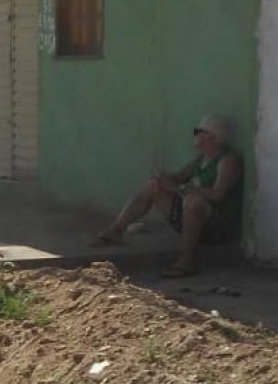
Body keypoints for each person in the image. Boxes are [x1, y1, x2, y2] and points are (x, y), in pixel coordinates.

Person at [92, 114, 243, 278]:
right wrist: (163, 179)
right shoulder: (200, 160)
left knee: (193, 202)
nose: (197, 136)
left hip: (216, 226)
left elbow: (217, 194)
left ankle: (186, 262)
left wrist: (179, 188)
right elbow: (177, 179)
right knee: (153, 186)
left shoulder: (228, 161)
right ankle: (116, 230)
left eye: (202, 133)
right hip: (188, 217)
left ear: (215, 138)